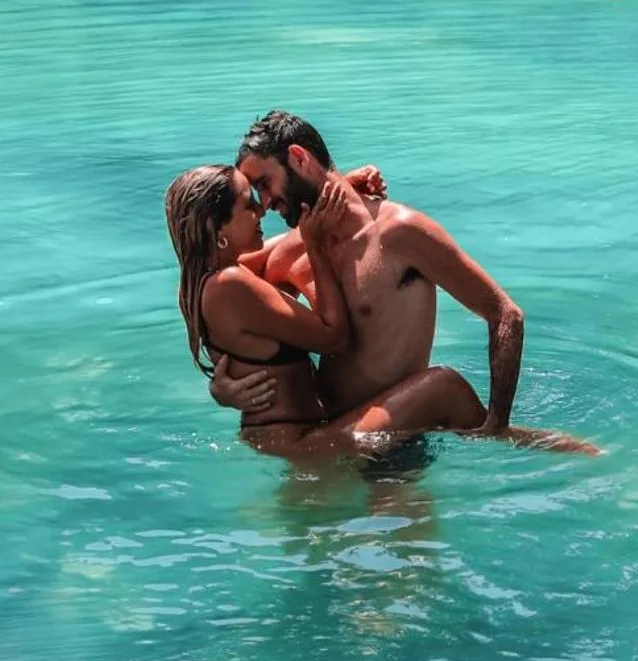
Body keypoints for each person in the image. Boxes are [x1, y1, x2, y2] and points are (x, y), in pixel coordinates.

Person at [221, 109, 526, 435]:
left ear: (298, 158)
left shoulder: (400, 233)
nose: (264, 203)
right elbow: (217, 288)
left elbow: (506, 315)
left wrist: (497, 423)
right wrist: (223, 386)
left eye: (264, 184)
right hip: (329, 436)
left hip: (398, 446)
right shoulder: (296, 247)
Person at [163, 163, 488, 458]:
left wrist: (341, 190)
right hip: (302, 444)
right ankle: (508, 439)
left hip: (278, 438)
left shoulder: (197, 283)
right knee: (446, 387)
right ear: (216, 229)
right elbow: (334, 337)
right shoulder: (232, 283)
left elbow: (295, 239)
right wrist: (317, 250)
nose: (261, 209)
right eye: (248, 204)